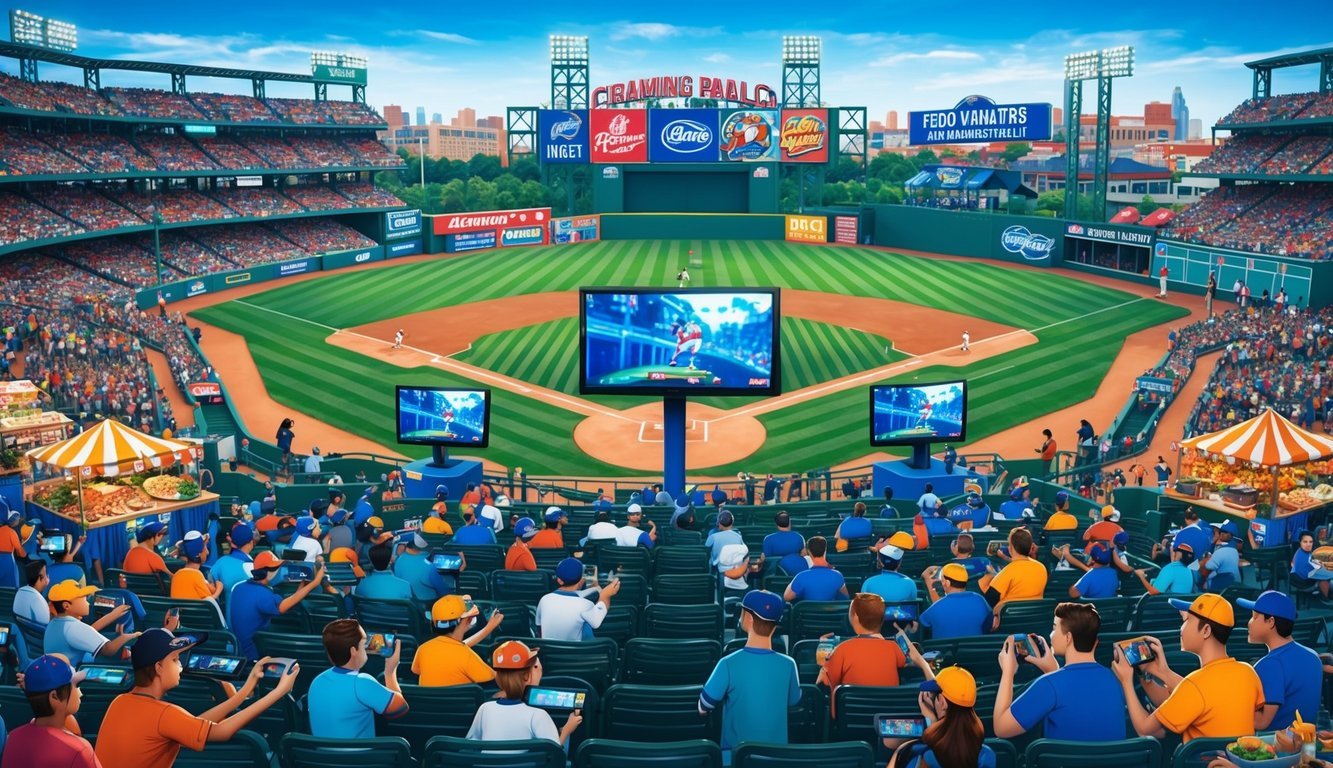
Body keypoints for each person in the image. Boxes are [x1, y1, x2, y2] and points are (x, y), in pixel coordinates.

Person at [94, 629, 298, 768]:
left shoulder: (120, 701)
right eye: (174, 660)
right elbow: (222, 732)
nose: (180, 665)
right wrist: (278, 692)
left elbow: (195, 725)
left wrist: (244, 691)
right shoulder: (163, 714)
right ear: (158, 667)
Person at [1113, 593, 1264, 743]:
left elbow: (1145, 729)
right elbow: (1182, 701)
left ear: (1206, 631)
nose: (1182, 626)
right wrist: (1151, 672)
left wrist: (1126, 681)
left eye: (1187, 619)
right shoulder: (1248, 672)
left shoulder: (1195, 685)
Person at [993, 602, 1127, 741]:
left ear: (1068, 638)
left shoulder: (1048, 685)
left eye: (1054, 628)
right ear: (1095, 642)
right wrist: (1052, 669)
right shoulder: (1116, 678)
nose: (1051, 635)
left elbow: (1001, 728)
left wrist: (1008, 672)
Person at [699, 590, 801, 759]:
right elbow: (793, 701)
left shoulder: (728, 663)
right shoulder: (789, 664)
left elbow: (703, 706)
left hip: (735, 758)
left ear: (749, 619)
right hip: (777, 758)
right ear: (776, 625)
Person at [466, 640, 582, 746]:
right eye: (534, 668)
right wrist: (567, 729)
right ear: (527, 676)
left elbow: (470, 745)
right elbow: (553, 753)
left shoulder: (484, 709)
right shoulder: (538, 715)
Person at [307, 619, 409, 739]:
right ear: (353, 651)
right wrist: (390, 672)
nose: (367, 646)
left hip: (322, 756)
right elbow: (401, 708)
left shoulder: (317, 682)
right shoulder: (362, 683)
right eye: (364, 642)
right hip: (359, 757)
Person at [1237, 590, 1322, 731]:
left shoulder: (1270, 664)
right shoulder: (1313, 656)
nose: (1249, 623)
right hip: (1306, 743)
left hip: (1277, 747)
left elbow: (1262, 722)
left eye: (1254, 617)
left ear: (1270, 622)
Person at [817, 594, 914, 706]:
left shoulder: (841, 650)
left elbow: (824, 685)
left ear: (855, 617)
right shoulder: (894, 647)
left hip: (850, 718)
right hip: (886, 717)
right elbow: (904, 662)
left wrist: (824, 663)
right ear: (882, 619)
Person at [2, 654, 98, 768]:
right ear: (54, 697)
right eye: (74, 685)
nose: (79, 691)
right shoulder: (79, 749)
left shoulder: (13, 738)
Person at [887, 666, 994, 768]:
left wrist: (930, 725)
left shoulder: (914, 753)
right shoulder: (987, 756)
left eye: (934, 696)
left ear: (942, 702)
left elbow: (889, 741)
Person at [229, 551, 324, 659]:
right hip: (254, 653)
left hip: (240, 649)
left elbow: (288, 602)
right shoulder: (263, 594)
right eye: (276, 568)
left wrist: (302, 587)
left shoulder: (239, 587)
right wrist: (315, 583)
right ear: (266, 572)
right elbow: (282, 607)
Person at [412, 595, 504, 686]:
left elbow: (416, 669)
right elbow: (497, 679)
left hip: (430, 701)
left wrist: (488, 628)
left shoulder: (423, 649)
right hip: (459, 701)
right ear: (467, 621)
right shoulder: (467, 655)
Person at [43, 581, 138, 667]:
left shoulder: (56, 623)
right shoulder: (73, 627)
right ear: (67, 606)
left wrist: (113, 615)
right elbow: (109, 650)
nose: (88, 603)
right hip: (75, 676)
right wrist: (129, 636)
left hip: (61, 672)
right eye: (84, 599)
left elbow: (87, 631)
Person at [534, 558, 620, 640]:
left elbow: (539, 630)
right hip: (576, 653)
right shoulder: (586, 604)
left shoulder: (544, 600)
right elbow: (596, 622)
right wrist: (605, 595)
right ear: (581, 580)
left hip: (548, 652)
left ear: (559, 580)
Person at [980, 527, 1047, 614]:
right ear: (1031, 548)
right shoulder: (1042, 567)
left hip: (1008, 618)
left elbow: (990, 599)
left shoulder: (1008, 571)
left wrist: (990, 574)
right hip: (1035, 615)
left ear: (1010, 548)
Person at [920, 563, 993, 639]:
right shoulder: (980, 600)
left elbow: (921, 625)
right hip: (977, 649)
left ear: (947, 583)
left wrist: (927, 579)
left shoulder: (935, 607)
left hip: (944, 650)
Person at [784, 537, 848, 602]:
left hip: (808, 612)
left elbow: (786, 597)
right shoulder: (837, 575)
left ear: (809, 552)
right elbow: (846, 598)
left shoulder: (801, 576)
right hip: (831, 611)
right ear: (825, 550)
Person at [862, 532, 920, 604]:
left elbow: (863, 608)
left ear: (881, 561)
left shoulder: (868, 583)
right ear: (899, 563)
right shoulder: (910, 583)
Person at [169, 532, 223, 602]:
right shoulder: (196, 575)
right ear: (198, 554)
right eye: (205, 548)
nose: (207, 552)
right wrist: (219, 589)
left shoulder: (176, 575)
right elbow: (210, 603)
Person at [1133, 542, 1198, 596]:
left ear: (1179, 554)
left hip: (1166, 609)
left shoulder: (1171, 568)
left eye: (1175, 550)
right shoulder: (1190, 571)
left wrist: (1141, 577)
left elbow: (1154, 592)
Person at [211, 523, 257, 596]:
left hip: (226, 607)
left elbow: (211, 582)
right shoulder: (252, 567)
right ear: (251, 542)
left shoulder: (220, 561)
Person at [1289, 530, 1332, 600]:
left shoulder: (1301, 551)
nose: (1308, 544)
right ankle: (1328, 599)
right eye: (1305, 542)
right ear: (1300, 542)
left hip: (1302, 577)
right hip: (1304, 581)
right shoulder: (1304, 556)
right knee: (1325, 578)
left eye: (1310, 542)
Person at [1199, 520, 1241, 590]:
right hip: (1232, 585)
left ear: (1230, 535)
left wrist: (1209, 558)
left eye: (1224, 531)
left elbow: (1208, 566)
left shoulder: (1221, 551)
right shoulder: (1234, 551)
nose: (1221, 533)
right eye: (1221, 531)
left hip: (1219, 586)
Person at [14, 560, 51, 625]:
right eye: (46, 575)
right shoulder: (39, 601)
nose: (47, 577)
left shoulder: (19, 592)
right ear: (40, 578)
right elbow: (45, 625)